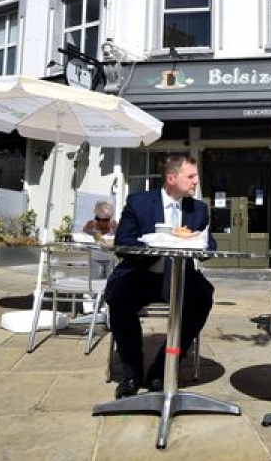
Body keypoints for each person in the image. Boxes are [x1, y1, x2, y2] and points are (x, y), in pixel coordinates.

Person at [104, 154, 217, 399]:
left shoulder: (198, 209)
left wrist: (197, 243)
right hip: (141, 272)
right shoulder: (139, 202)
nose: (196, 181)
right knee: (119, 298)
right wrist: (158, 243)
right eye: (191, 176)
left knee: (202, 298)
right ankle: (131, 373)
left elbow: (209, 246)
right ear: (171, 178)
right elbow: (123, 244)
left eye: (196, 176)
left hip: (180, 276)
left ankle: (161, 369)